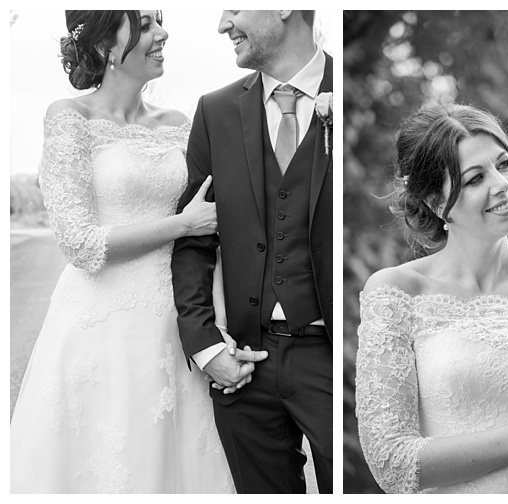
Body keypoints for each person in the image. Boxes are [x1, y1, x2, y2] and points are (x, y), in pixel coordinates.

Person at [9, 10, 259, 493]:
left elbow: (211, 236)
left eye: (159, 22)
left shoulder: (179, 124)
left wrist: (218, 325)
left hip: (175, 322)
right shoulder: (69, 117)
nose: (162, 34)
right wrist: (181, 224)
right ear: (106, 45)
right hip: (100, 327)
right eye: (145, 25)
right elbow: (80, 243)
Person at [355, 103, 508, 494]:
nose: (502, 184)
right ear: (436, 203)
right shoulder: (397, 292)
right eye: (474, 179)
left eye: (504, 164)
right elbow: (391, 462)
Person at [171, 10, 333, 494]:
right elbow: (194, 241)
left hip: (333, 362)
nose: (223, 24)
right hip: (243, 365)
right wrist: (206, 346)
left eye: (234, 8)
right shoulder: (215, 111)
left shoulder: (353, 93)